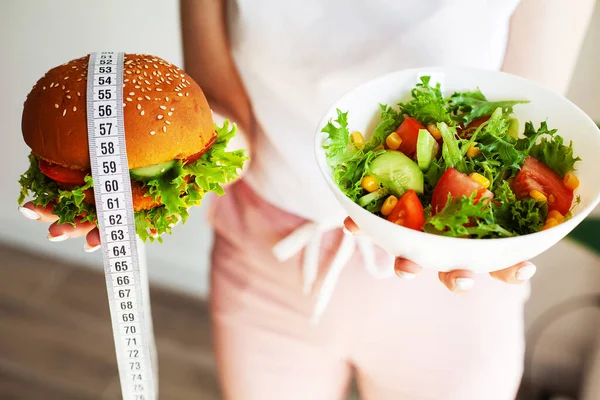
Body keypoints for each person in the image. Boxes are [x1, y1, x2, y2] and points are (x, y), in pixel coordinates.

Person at [19, 0, 595, 398]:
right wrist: (153, 172)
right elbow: (227, 115)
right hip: (266, 263)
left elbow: (520, 124)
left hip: (448, 288)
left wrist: (493, 233)